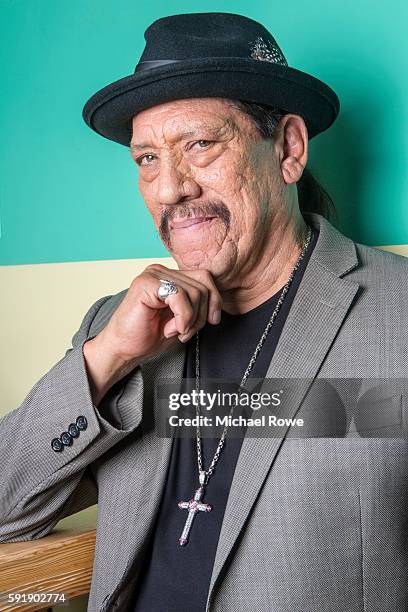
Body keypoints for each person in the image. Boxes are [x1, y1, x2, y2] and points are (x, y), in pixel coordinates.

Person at [1, 12, 407, 612]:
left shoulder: (396, 313)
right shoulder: (117, 329)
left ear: (289, 149)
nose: (170, 189)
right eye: (147, 160)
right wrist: (108, 356)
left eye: (199, 145)